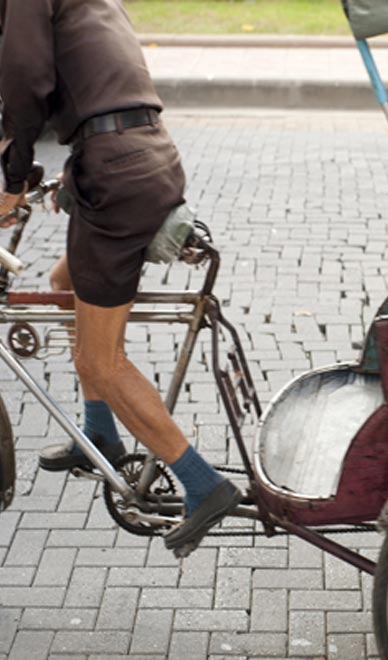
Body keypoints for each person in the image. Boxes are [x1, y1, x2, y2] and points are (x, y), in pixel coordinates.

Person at [0, 0, 241, 557]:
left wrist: (13, 177)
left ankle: (204, 486)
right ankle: (99, 433)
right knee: (63, 284)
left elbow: (24, 80)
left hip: (113, 172)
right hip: (137, 154)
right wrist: (76, 162)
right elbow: (96, 78)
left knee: (99, 361)